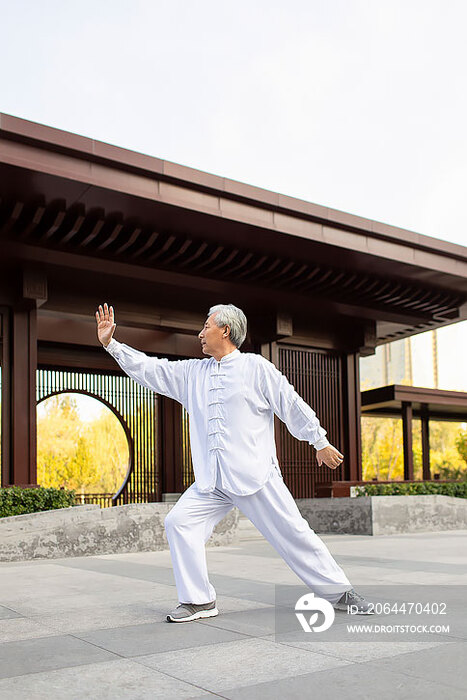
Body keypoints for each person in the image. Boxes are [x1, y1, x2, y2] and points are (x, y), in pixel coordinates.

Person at [95, 302, 373, 622]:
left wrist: (319, 441)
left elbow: (290, 404)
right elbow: (151, 369)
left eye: (206, 327)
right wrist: (111, 345)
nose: (200, 334)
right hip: (212, 482)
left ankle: (339, 592)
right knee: (179, 523)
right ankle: (199, 601)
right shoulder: (192, 373)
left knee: (293, 532)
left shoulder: (256, 368)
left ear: (225, 330)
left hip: (255, 475)